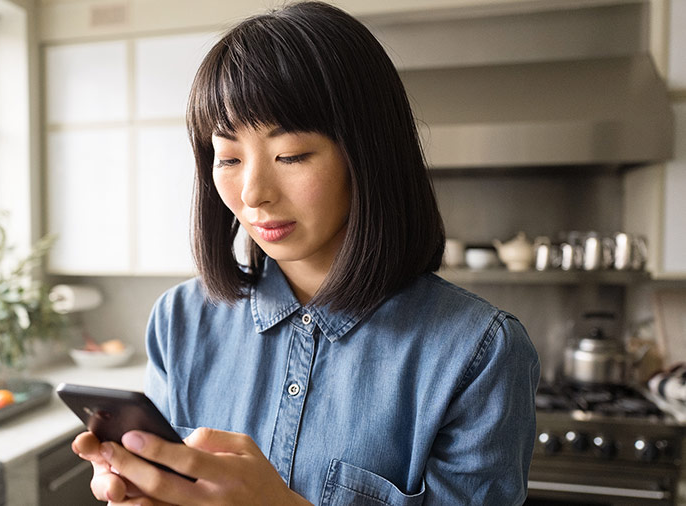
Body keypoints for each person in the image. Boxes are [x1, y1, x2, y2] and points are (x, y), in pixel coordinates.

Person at [72, 2, 540, 504]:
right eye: (227, 158)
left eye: (290, 155)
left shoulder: (479, 353)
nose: (253, 193)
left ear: (367, 153)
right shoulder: (179, 321)